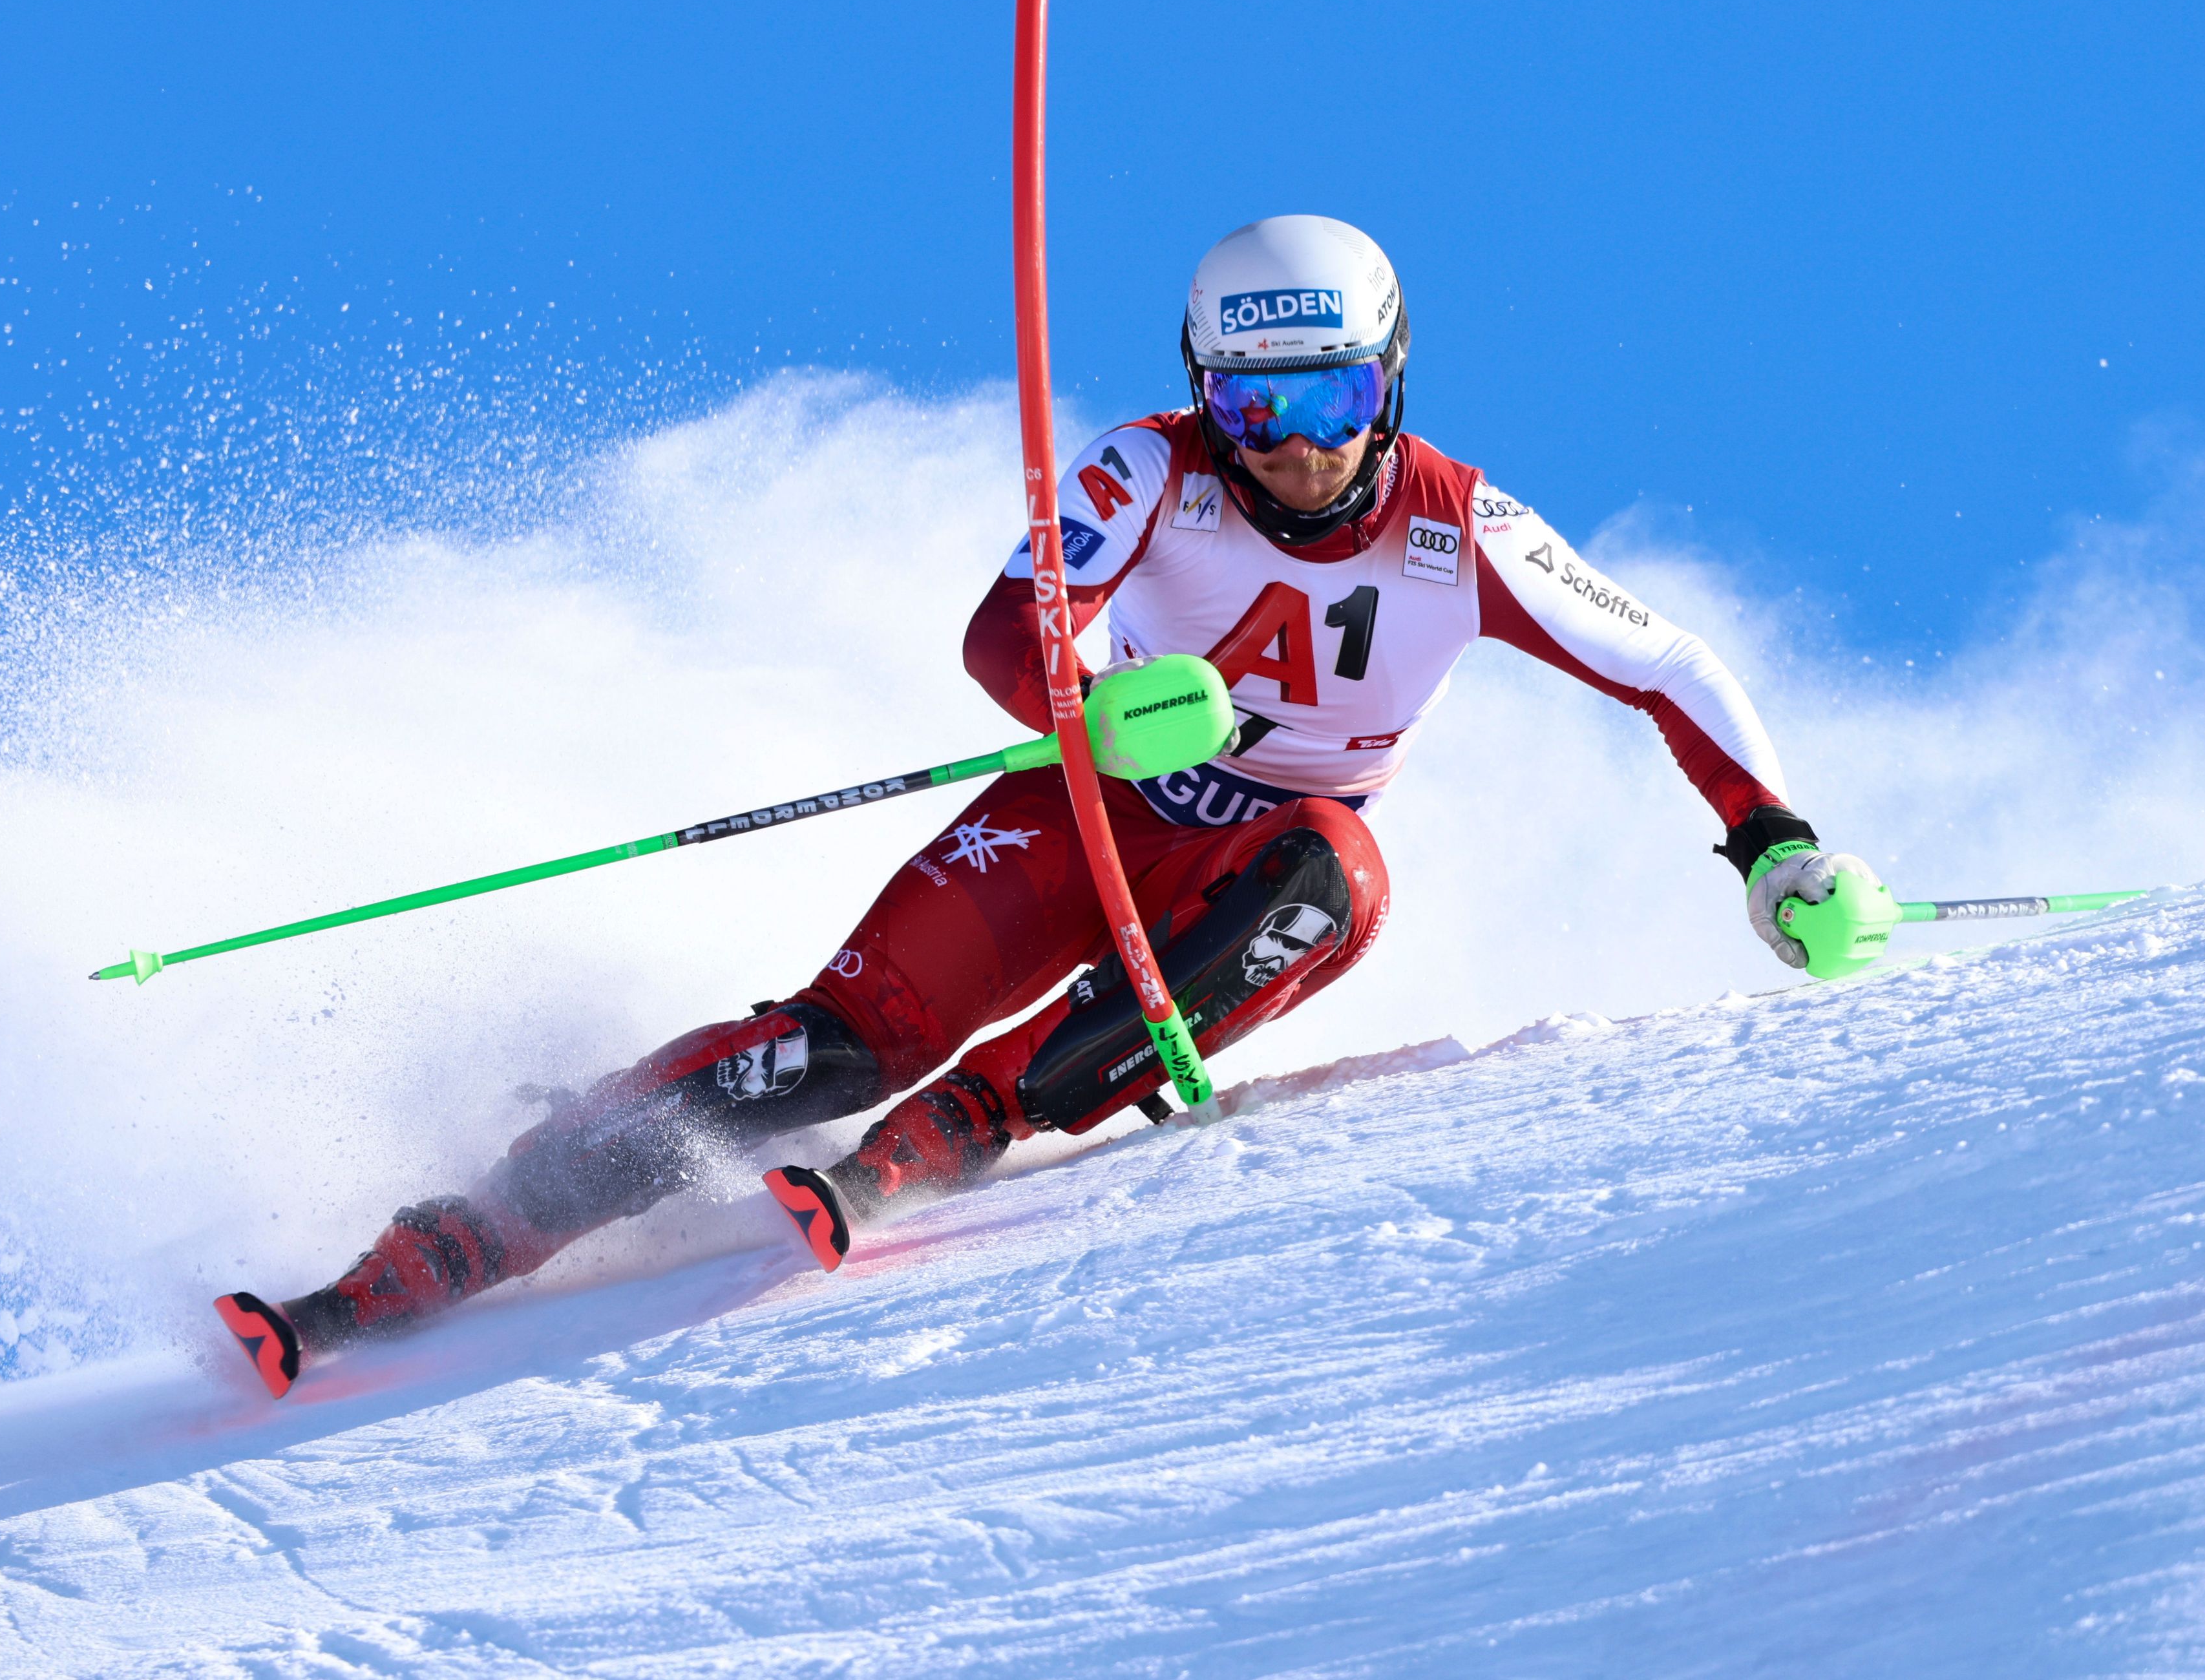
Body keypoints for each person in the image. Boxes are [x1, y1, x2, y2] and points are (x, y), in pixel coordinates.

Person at [215, 215, 1866, 1397]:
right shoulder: (1148, 470)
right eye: (1254, 410)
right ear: (1204, 393)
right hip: (1088, 813)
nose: (1289, 456)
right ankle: (458, 1232)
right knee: (836, 1041)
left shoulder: (1458, 528)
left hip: (1251, 858)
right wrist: (1079, 700)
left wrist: (1769, 846)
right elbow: (1006, 632)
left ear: (1391, 385)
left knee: (1337, 879)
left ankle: (976, 1122)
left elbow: (1667, 664)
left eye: (1329, 408)